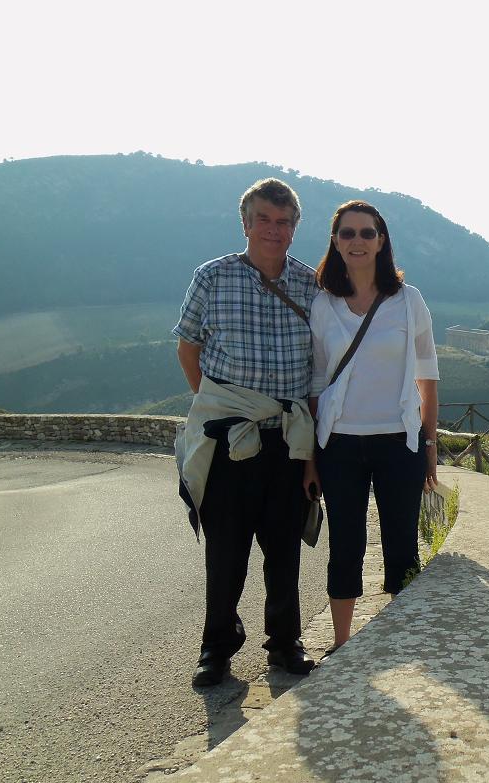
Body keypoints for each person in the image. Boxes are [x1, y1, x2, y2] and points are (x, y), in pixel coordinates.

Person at [174, 178, 319, 687]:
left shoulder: (309, 284)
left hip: (286, 439)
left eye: (284, 222)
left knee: (284, 550)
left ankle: (284, 645)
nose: (273, 230)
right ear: (246, 223)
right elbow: (188, 348)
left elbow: (318, 366)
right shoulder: (212, 278)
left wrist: (310, 459)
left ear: (295, 228)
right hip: (228, 440)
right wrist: (219, 407)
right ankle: (216, 649)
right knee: (226, 551)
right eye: (264, 219)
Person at [305, 199, 439, 651]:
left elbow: (427, 376)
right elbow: (317, 381)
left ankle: (402, 642)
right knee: (345, 543)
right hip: (339, 443)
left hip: (398, 442)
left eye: (366, 233)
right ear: (335, 242)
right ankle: (342, 644)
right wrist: (309, 455)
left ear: (382, 241)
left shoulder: (408, 301)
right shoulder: (322, 305)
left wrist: (430, 445)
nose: (357, 241)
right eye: (347, 233)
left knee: (402, 543)